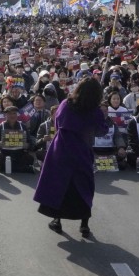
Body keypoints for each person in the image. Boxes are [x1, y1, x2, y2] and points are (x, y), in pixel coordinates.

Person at [34, 77, 108, 237]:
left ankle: (57, 221)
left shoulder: (66, 105)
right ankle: (84, 225)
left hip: (61, 150)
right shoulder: (95, 111)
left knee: (60, 185)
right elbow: (102, 131)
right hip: (82, 151)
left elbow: (57, 123)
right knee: (84, 187)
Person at [0, 105, 35, 173]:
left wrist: (27, 145)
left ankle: (5, 167)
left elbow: (31, 144)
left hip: (19, 153)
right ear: (5, 115)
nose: (12, 115)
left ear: (17, 115)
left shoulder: (23, 126)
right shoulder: (0, 127)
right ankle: (23, 169)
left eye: (14, 113)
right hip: (5, 154)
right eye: (10, 113)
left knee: (30, 159)